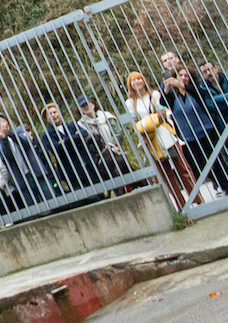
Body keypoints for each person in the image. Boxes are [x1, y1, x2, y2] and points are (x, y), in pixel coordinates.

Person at [125, 70, 196, 209]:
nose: (136, 82)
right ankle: (181, 206)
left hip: (165, 135)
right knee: (166, 174)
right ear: (130, 84)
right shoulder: (130, 102)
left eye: (139, 79)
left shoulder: (154, 94)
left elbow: (162, 112)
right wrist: (150, 122)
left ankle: (197, 199)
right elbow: (134, 123)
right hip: (149, 139)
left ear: (144, 80)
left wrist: (147, 122)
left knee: (182, 168)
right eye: (133, 80)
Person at [159, 53, 228, 194]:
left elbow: (198, 94)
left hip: (207, 131)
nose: (183, 78)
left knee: (217, 161)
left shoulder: (195, 90)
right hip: (189, 135)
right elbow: (163, 102)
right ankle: (216, 185)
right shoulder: (174, 95)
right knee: (201, 163)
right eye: (180, 75)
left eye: (186, 76)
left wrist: (182, 85)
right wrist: (166, 89)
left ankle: (226, 186)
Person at [0, 114, 55, 212]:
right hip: (22, 181)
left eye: (0, 121)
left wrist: (11, 134)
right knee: (35, 211)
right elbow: (7, 155)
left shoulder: (19, 130)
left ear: (6, 121)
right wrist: (3, 138)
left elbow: (27, 144)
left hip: (37, 173)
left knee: (52, 201)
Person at [38, 102, 106, 196]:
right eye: (50, 114)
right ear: (46, 119)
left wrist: (64, 141)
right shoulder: (47, 136)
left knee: (99, 192)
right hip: (70, 172)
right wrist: (75, 138)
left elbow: (84, 134)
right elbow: (57, 149)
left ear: (59, 113)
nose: (53, 115)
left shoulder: (72, 125)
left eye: (54, 112)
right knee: (83, 196)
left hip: (86, 165)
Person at [75, 94, 131, 185]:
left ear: (93, 104)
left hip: (115, 149)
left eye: (87, 104)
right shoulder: (80, 125)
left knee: (125, 171)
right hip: (99, 157)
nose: (86, 107)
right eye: (82, 106)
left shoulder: (106, 116)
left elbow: (117, 132)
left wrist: (113, 145)